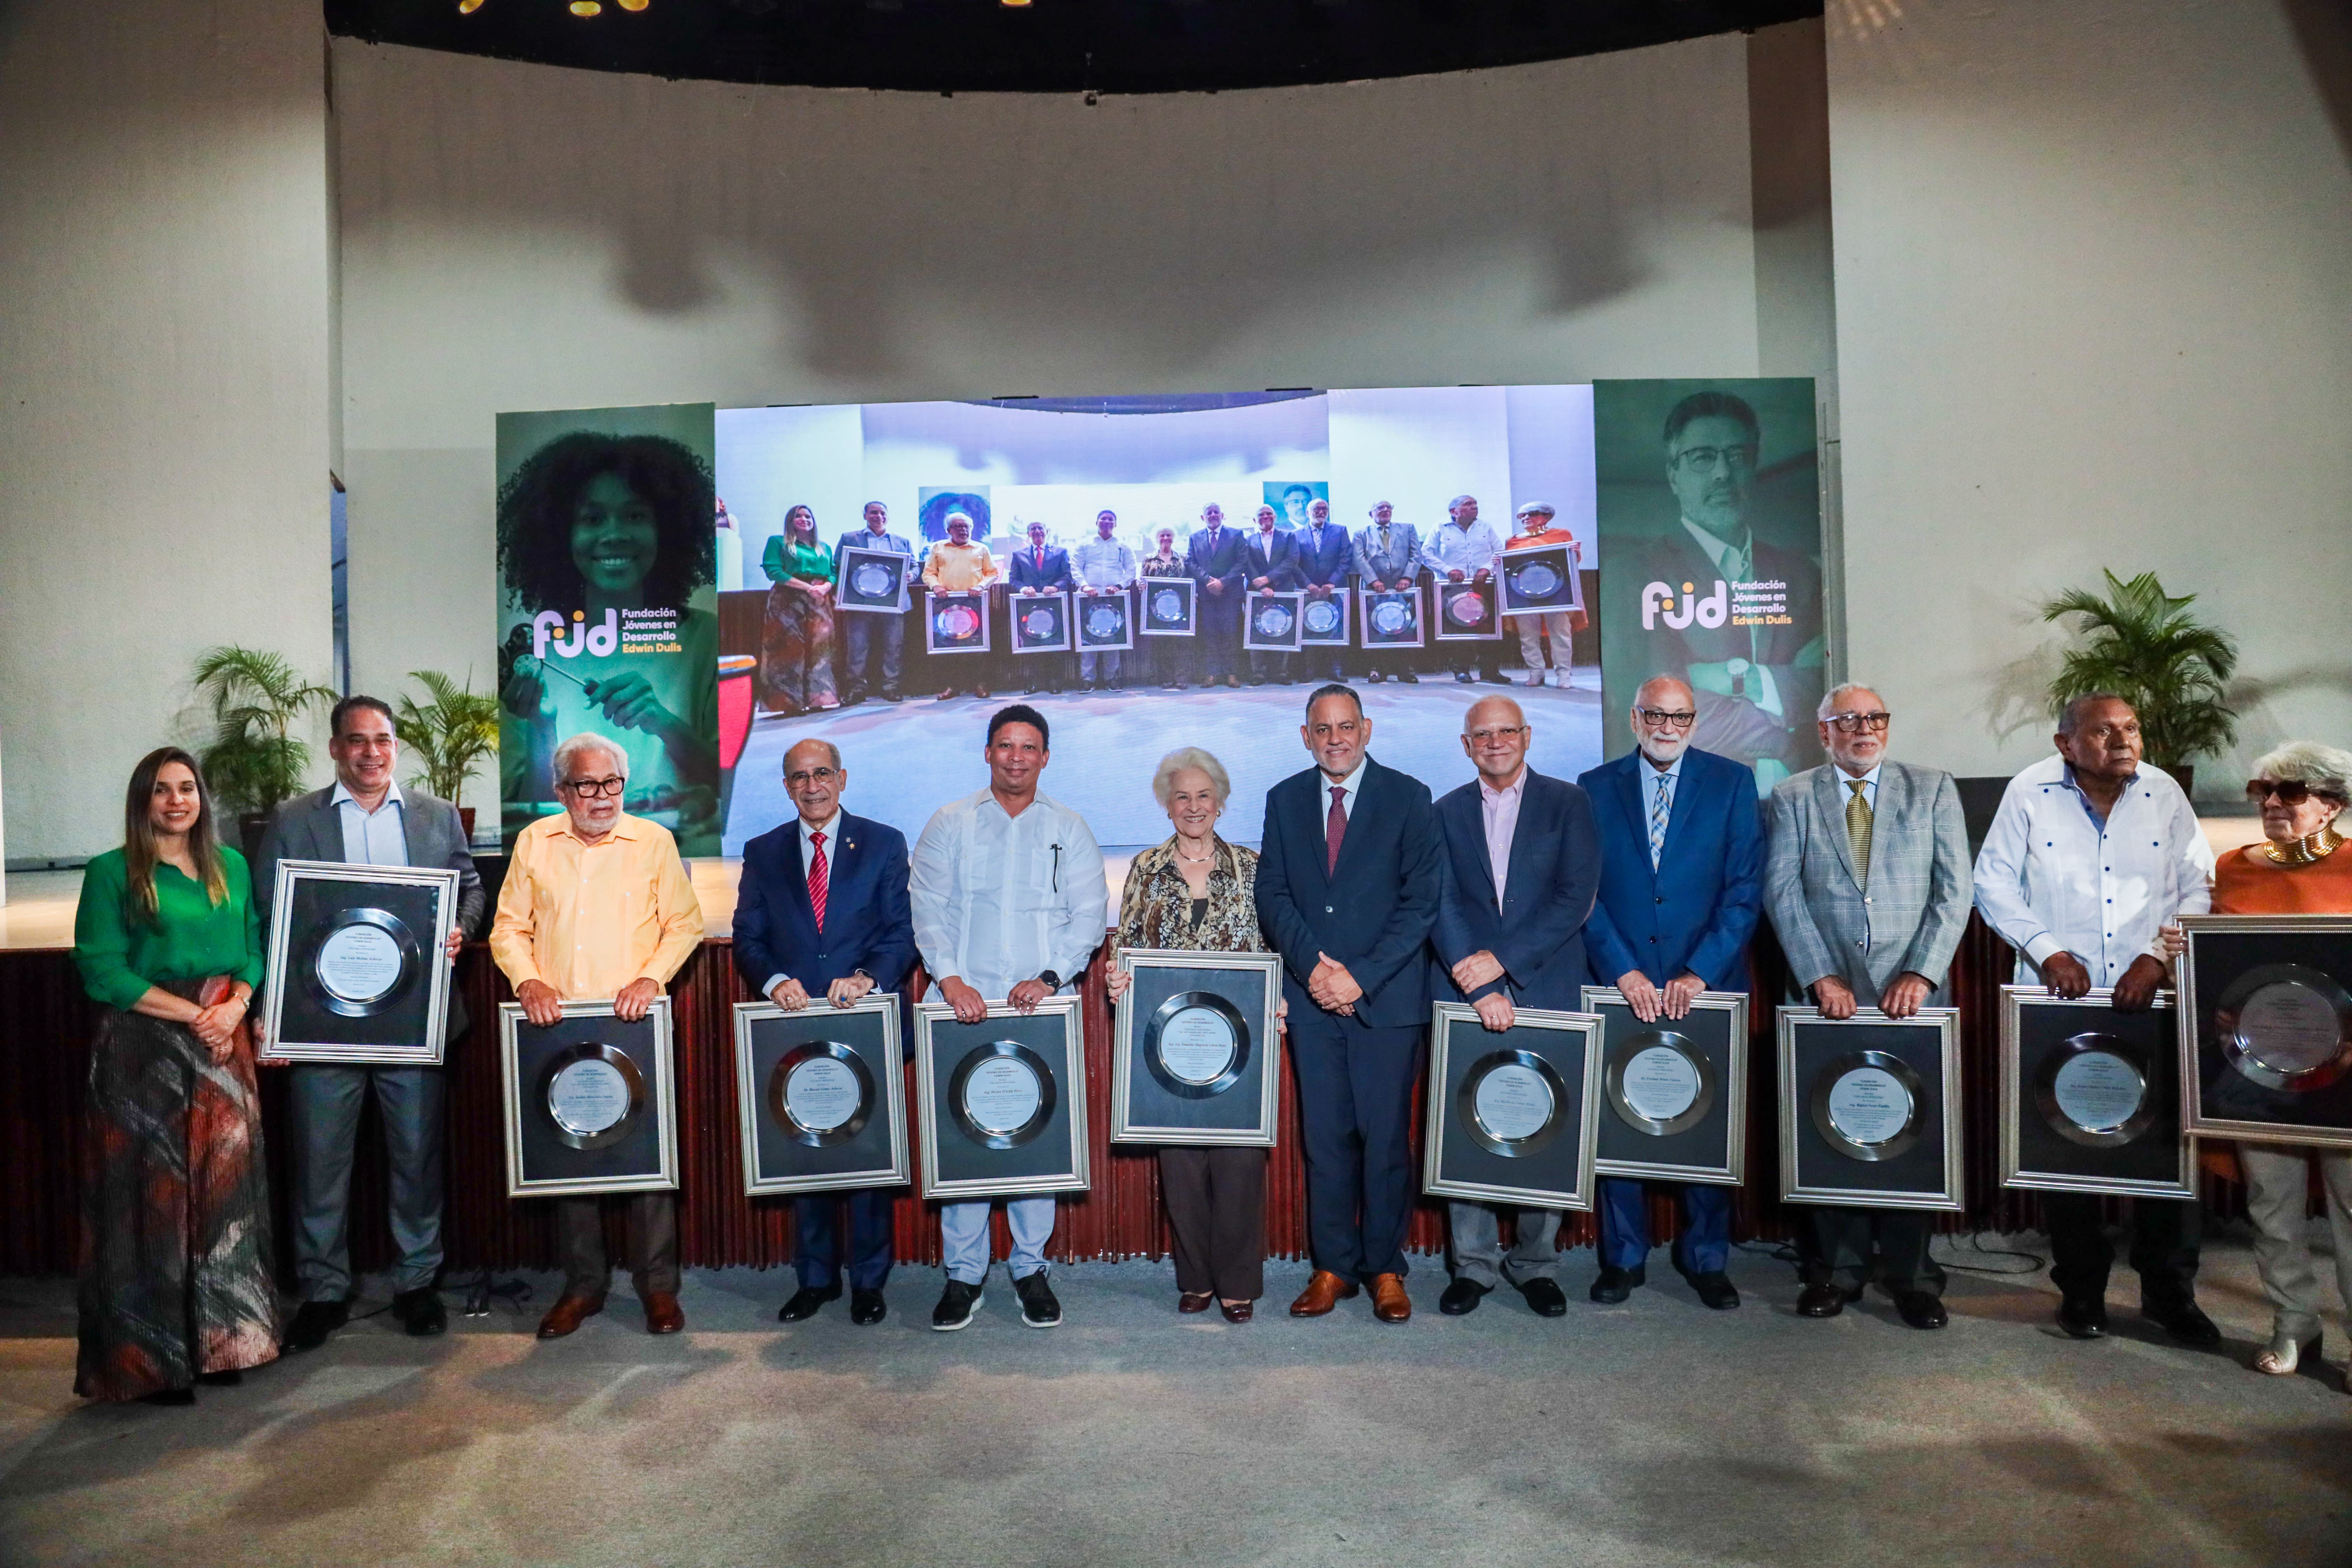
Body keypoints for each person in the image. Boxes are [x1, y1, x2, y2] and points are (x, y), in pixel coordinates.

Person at [1972, 693, 2220, 1347]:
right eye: (2104, 731)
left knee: (2166, 1155)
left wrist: (2156, 957)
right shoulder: (2029, 791)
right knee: (2069, 1146)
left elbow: (2198, 886)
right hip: (2061, 1002)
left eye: (2131, 728)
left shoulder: (2164, 792)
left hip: (2152, 999)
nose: (2123, 740)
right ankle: (2081, 1292)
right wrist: (2048, 951)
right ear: (2066, 744)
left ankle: (2171, 1295)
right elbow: (1993, 882)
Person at [254, 695, 487, 1352]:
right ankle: (324, 1291)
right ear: (335, 749)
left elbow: (470, 888)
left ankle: (416, 1284)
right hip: (322, 1023)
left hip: (412, 1023)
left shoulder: (437, 816)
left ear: (396, 746)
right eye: (357, 741)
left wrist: (458, 927)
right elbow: (270, 913)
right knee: (320, 1163)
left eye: (382, 740)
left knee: (416, 1158)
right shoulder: (294, 820)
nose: (371, 753)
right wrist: (273, 1011)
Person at [70, 748, 278, 1403]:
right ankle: (151, 1363)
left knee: (225, 1199)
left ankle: (225, 1344)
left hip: (223, 1046)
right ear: (143, 800)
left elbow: (254, 948)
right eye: (161, 790)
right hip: (145, 1050)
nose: (176, 801)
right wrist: (198, 1015)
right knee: (149, 1203)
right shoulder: (111, 872)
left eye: (187, 788)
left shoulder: (231, 866)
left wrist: (236, 1006)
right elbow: (102, 969)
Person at [1764, 681, 1971, 1330]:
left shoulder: (1932, 788)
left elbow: (1954, 890)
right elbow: (1782, 891)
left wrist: (1921, 972)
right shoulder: (1792, 795)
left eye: (1875, 718)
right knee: (1832, 1129)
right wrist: (1820, 975)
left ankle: (1912, 1277)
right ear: (1823, 732)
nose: (1864, 729)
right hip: (1827, 997)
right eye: (1848, 720)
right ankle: (1835, 1272)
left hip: (1911, 998)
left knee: (1910, 1133)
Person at [490, 733, 705, 1338]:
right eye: (587, 785)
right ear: (562, 791)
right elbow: (508, 929)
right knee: (572, 1154)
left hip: (634, 1024)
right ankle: (583, 1286)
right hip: (559, 1027)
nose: (603, 796)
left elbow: (684, 925)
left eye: (612, 783)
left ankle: (658, 1288)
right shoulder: (535, 842)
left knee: (648, 1163)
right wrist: (529, 981)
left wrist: (651, 977)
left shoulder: (653, 842)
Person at [910, 706, 1108, 1329]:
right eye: (1005, 746)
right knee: (964, 1140)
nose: (1016, 757)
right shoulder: (950, 822)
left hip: (1037, 1010)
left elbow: (1088, 915)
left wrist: (1049, 978)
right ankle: (964, 1275)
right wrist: (951, 980)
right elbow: (927, 907)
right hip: (961, 1007)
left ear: (1045, 757)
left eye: (1028, 748)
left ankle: (1029, 1269)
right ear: (988, 753)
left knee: (1034, 1139)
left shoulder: (1069, 827)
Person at [1256, 684, 1442, 1323]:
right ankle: (1333, 1266)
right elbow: (1273, 894)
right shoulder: (1284, 799)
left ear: (1367, 729)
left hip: (1386, 1002)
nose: (1334, 739)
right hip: (1313, 1001)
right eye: (1322, 729)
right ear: (1305, 737)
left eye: (1345, 727)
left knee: (1385, 1141)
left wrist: (1358, 978)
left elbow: (1421, 903)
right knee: (1326, 1141)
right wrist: (1314, 969)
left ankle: (1385, 1268)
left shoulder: (1409, 797)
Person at [1577, 675, 1763, 1309]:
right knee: (1620, 1117)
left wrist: (1700, 973)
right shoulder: (1594, 787)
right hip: (1621, 983)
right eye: (1655, 715)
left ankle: (1706, 1256)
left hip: (1704, 985)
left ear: (1694, 722)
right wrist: (1623, 971)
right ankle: (1623, 1257)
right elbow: (1585, 892)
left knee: (1705, 1122)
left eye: (1679, 717)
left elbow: (1744, 891)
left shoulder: (1732, 783)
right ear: (1634, 719)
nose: (1667, 727)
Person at [733, 738, 917, 1327]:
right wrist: (775, 981)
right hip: (795, 1027)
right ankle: (815, 1281)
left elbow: (902, 932)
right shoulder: (763, 852)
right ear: (787, 786)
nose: (811, 786)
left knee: (867, 1158)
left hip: (865, 1023)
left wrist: (868, 978)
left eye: (821, 774)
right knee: (805, 1153)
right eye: (799, 777)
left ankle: (869, 1283)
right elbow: (748, 937)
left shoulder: (884, 843)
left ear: (842, 778)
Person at [1429, 696, 1601, 1317]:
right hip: (1467, 991)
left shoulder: (1568, 803)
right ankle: (1472, 1266)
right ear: (1466, 745)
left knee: (1544, 1123)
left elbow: (1576, 896)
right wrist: (1479, 986)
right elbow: (1440, 901)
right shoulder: (1444, 811)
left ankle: (1536, 1265)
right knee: (1469, 1120)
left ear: (1527, 737)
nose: (1495, 742)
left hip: (1545, 983)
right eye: (1483, 734)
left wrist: (1502, 963)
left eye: (1507, 731)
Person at [1105, 748, 1278, 1321]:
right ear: (1167, 804)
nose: (1194, 806)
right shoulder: (1146, 867)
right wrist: (1117, 979)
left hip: (1241, 1042)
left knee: (1239, 1166)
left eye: (1204, 795)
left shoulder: (1254, 867)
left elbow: (1276, 945)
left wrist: (1279, 996)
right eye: (1182, 796)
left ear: (1221, 803)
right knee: (1180, 1166)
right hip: (1169, 1044)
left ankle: (1237, 1282)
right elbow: (1126, 946)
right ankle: (1196, 1278)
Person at [497, 430, 722, 855]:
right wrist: (542, 727)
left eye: (635, 516)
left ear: (666, 528)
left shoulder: (707, 639)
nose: (614, 533)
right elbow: (531, 816)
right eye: (593, 519)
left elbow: (727, 783)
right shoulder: (533, 651)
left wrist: (662, 722)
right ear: (561, 534)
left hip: (677, 860)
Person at [2212, 742, 2352, 1377]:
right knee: (2272, 1203)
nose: (2271, 803)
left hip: (2348, 1071)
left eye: (2290, 792)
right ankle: (2294, 1323)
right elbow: (2226, 968)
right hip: (2261, 1068)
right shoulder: (2235, 868)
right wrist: (2189, 956)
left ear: (2331, 806)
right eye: (2262, 791)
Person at [1635, 391, 1826, 789]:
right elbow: (1652, 710)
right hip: (1699, 793)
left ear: (1753, 467)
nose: (1723, 472)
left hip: (1797, 796)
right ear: (1674, 475)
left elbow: (1823, 687)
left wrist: (1740, 680)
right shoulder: (1637, 572)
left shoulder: (1801, 573)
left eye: (1737, 456)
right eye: (1703, 457)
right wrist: (1785, 735)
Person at [760, 504, 841, 716]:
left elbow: (833, 572)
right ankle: (789, 704)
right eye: (799, 516)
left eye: (808, 516)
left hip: (819, 600)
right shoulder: (778, 542)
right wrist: (808, 588)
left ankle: (818, 699)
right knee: (787, 650)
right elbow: (774, 571)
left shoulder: (824, 548)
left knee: (820, 650)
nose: (804, 519)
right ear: (791, 521)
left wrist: (825, 587)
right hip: (787, 600)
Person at [834, 499, 913, 706]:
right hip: (860, 603)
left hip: (893, 603)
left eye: (882, 513)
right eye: (874, 513)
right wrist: (841, 595)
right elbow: (838, 567)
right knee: (857, 648)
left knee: (893, 647)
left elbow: (914, 566)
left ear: (887, 516)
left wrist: (911, 575)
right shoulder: (849, 538)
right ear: (865, 516)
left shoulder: (902, 541)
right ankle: (856, 690)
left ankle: (891, 688)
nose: (879, 517)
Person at [1424, 493, 1508, 685]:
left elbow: (1499, 552)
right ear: (1454, 511)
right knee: (1459, 629)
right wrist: (1448, 570)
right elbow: (1426, 554)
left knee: (1488, 628)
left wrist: (1487, 568)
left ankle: (1490, 671)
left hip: (1484, 585)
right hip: (1453, 587)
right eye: (1468, 504)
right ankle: (1461, 671)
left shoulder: (1485, 527)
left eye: (1475, 504)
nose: (1474, 507)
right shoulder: (1440, 527)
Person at [1502, 502, 1587, 689]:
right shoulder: (1513, 541)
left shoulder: (1561, 535)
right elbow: (1510, 566)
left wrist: (1575, 553)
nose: (1526, 518)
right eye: (1522, 516)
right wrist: (1497, 562)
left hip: (1556, 592)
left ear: (1547, 517)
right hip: (1524, 595)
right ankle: (1536, 672)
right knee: (1527, 636)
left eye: (1532, 514)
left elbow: (1571, 561)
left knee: (1560, 634)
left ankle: (1564, 674)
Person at [920, 510, 1001, 703]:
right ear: (949, 530)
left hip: (974, 603)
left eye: (966, 526)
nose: (963, 530)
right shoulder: (938, 548)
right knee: (948, 646)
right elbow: (928, 573)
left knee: (976, 645)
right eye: (958, 526)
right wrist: (936, 586)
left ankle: (979, 685)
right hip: (945, 604)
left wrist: (980, 586)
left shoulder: (981, 548)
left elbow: (992, 573)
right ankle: (951, 687)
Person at [1351, 499, 1425, 685]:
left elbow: (1416, 555)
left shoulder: (1408, 529)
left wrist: (1407, 578)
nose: (1385, 510)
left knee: (1406, 628)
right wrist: (1374, 580)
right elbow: (1359, 559)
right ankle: (1377, 670)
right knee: (1375, 629)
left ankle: (1406, 670)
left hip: (1404, 588)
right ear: (1371, 514)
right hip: (1373, 590)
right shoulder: (1361, 534)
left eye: (1388, 507)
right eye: (1380, 508)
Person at [1072, 509, 1137, 692]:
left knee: (1113, 637)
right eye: (1103, 519)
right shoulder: (1085, 544)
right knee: (1088, 639)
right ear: (1097, 523)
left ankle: (1112, 677)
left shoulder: (1123, 546)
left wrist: (1119, 586)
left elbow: (1131, 570)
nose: (1107, 522)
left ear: (1115, 524)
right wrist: (1084, 586)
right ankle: (1087, 679)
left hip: (1114, 598)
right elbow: (1075, 567)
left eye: (1111, 520)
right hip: (1088, 597)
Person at [1008, 520, 1076, 695]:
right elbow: (1013, 579)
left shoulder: (1061, 552)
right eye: (1033, 529)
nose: (1037, 531)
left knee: (1055, 643)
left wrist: (1055, 587)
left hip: (1055, 604)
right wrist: (1024, 589)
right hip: (1029, 606)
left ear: (1047, 531)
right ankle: (1035, 682)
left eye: (1040, 528)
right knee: (1032, 644)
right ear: (1028, 533)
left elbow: (1068, 576)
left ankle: (1055, 682)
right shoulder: (1019, 554)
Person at [1187, 502, 1249, 689]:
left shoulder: (1236, 535)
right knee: (1209, 635)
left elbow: (1242, 562)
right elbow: (1191, 563)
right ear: (1203, 517)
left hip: (1231, 593)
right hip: (1207, 594)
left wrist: (1223, 582)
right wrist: (1208, 581)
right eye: (1209, 513)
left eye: (1216, 512)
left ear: (1222, 515)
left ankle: (1232, 674)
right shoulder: (1194, 537)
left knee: (1231, 634)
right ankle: (1211, 674)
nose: (1213, 515)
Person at [1294, 497, 1355, 684]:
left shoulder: (1340, 531)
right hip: (1308, 591)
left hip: (1335, 591)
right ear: (1308, 513)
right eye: (1317, 509)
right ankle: (1309, 670)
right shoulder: (1295, 535)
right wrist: (1308, 584)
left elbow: (1346, 559)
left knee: (1336, 630)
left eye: (1324, 509)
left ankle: (1336, 670)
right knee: (1308, 629)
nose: (1321, 512)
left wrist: (1333, 583)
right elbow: (1294, 563)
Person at [1243, 503, 1304, 686]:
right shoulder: (1249, 540)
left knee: (1283, 630)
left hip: (1283, 589)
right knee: (1256, 631)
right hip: (1257, 593)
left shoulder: (1288, 536)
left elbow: (1292, 560)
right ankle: (1258, 673)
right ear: (1255, 520)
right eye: (1261, 515)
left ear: (1275, 517)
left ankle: (1281, 672)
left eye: (1269, 514)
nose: (1266, 517)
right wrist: (1261, 587)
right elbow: (1247, 564)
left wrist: (1269, 579)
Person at [1140, 526, 1191, 691]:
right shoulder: (1149, 558)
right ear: (1157, 539)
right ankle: (1166, 678)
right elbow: (1143, 581)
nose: (1166, 538)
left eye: (1169, 535)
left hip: (1180, 608)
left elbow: (1190, 581)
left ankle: (1181, 678)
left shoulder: (1183, 558)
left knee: (1181, 644)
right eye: (1162, 535)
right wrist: (1141, 586)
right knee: (1162, 644)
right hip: (1157, 609)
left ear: (1173, 538)